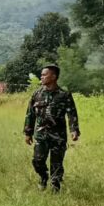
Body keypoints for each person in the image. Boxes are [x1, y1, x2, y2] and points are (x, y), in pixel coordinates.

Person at [24, 63, 80, 192]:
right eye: (41, 75)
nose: (41, 77)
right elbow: (30, 115)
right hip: (41, 135)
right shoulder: (36, 95)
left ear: (53, 77)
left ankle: (55, 188)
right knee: (38, 161)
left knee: (57, 164)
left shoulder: (64, 95)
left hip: (58, 136)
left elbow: (72, 113)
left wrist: (74, 130)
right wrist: (28, 133)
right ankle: (43, 177)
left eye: (44, 75)